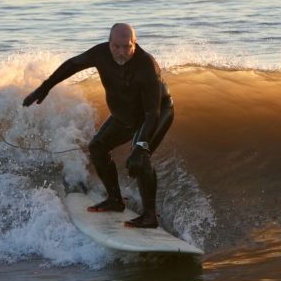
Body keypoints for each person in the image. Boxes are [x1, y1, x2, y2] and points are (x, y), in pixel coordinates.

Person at [22, 23, 173, 228]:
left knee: (140, 158)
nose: (121, 52)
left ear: (134, 44)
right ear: (109, 43)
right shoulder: (100, 53)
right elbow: (73, 64)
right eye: (116, 46)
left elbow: (152, 113)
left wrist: (141, 147)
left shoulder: (147, 65)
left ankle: (149, 216)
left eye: (126, 47)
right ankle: (115, 200)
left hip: (154, 114)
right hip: (124, 115)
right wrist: (45, 86)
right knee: (97, 147)